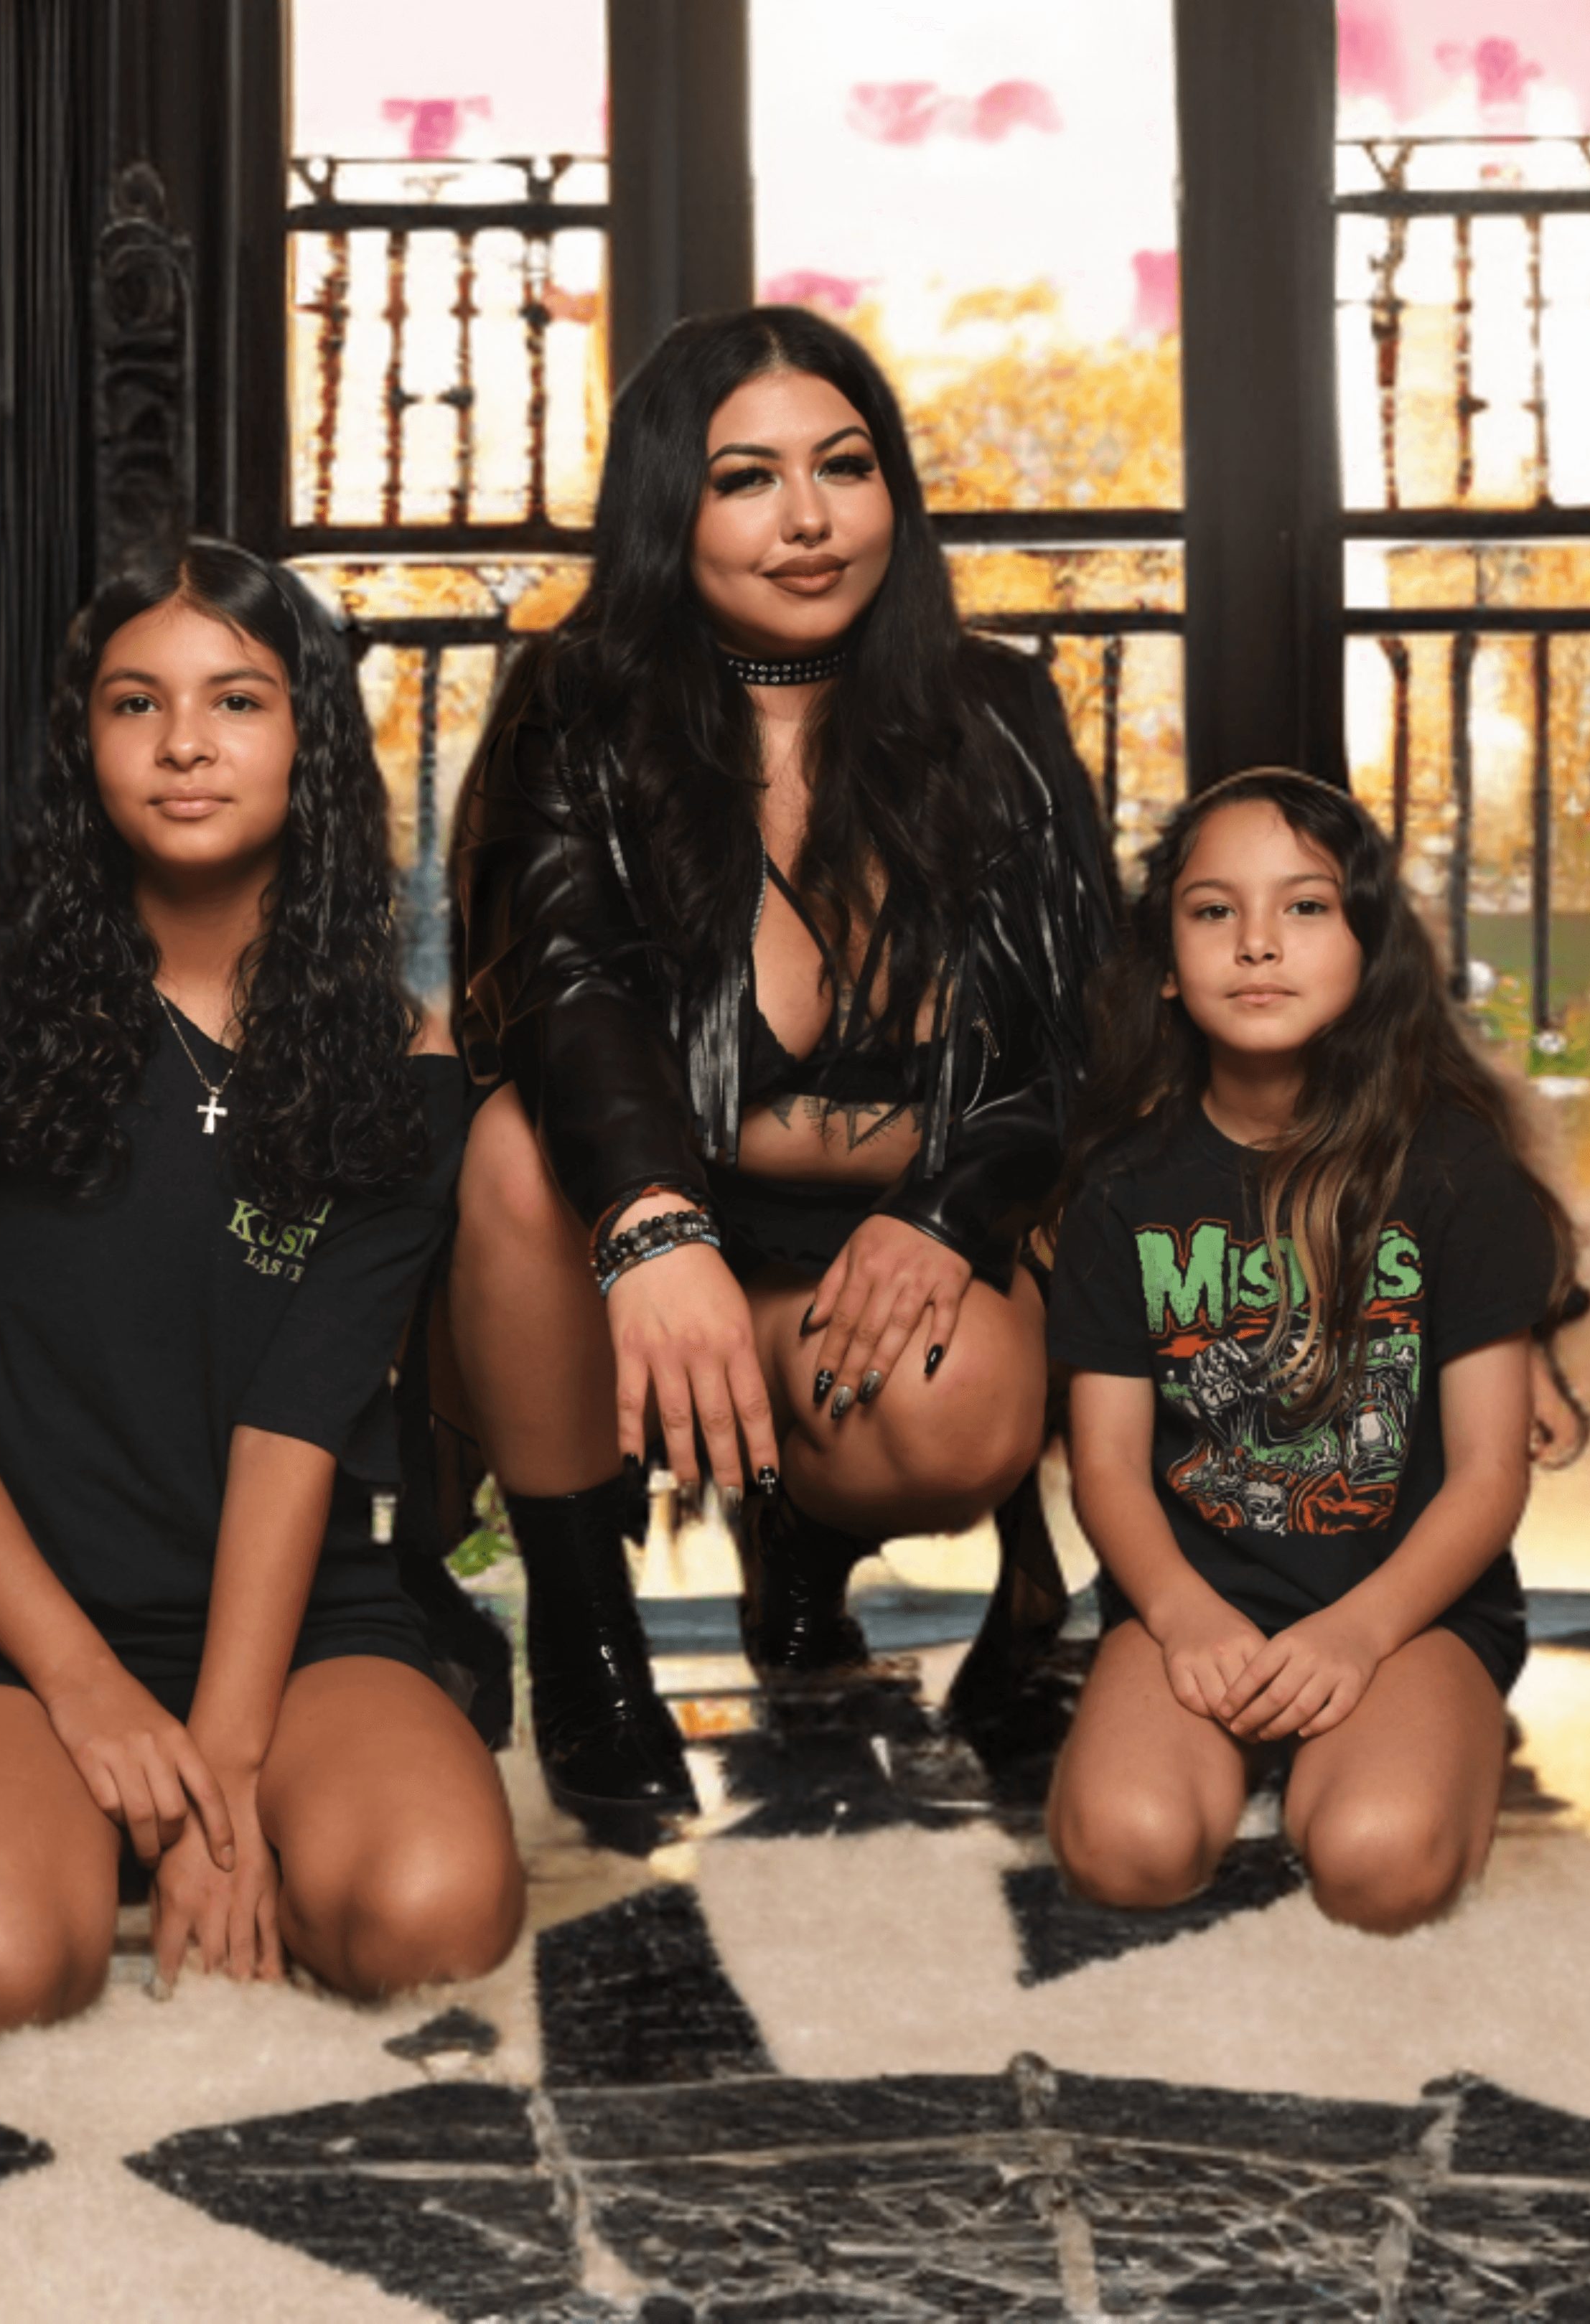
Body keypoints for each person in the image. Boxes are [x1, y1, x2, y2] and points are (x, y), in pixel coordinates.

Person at [0, 540, 524, 2043]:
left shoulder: (404, 1056)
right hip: (19, 1629)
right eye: (138, 702)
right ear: (89, 746)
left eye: (236, 699)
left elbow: (296, 1420)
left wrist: (224, 1769)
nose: (185, 742)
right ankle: (34, 1821)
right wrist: (89, 1691)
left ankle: (221, 1806)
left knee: (435, 1913)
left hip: (306, 1627)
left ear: (308, 742)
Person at [449, 306, 1116, 1829]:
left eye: (846, 465)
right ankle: (585, 1630)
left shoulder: (997, 712)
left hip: (893, 1238)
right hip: (653, 1246)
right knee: (504, 1143)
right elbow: (563, 987)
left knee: (953, 1426)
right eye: (748, 477)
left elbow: (1069, 1033)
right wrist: (657, 1220)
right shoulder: (579, 706)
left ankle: (802, 1526)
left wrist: (947, 1216)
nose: (810, 519)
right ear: (667, 509)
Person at [1044, 769, 1574, 1934]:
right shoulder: (1123, 1192)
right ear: (1170, 965)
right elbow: (1109, 1468)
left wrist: (1361, 1630)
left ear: (1367, 947)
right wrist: (1181, 1613)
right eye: (1213, 910)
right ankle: (1235, 1749)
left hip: (1405, 1608)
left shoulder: (1451, 1173)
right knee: (1122, 1853)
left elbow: (1490, 1473)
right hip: (1200, 1594)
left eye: (1306, 907)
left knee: (1379, 1865)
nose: (1257, 945)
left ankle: (1420, 1742)